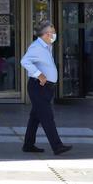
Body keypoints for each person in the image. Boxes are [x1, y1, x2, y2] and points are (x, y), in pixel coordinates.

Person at [20, 21, 72, 155]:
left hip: (46, 88)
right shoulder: (36, 47)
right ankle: (57, 146)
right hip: (38, 87)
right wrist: (39, 74)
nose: (54, 34)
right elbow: (24, 61)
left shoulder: (46, 46)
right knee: (47, 116)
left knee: (35, 117)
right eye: (52, 32)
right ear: (45, 34)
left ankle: (28, 144)